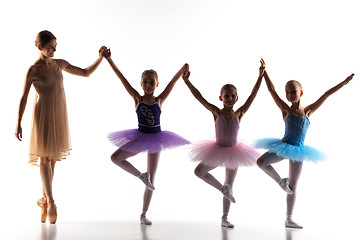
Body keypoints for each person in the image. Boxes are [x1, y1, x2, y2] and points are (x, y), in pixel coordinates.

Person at [15, 30, 106, 224]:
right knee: (45, 158)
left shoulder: (59, 64)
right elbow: (23, 97)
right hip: (43, 116)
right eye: (50, 47)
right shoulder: (33, 70)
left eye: (55, 46)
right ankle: (52, 202)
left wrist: (100, 59)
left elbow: (85, 73)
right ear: (39, 47)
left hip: (58, 116)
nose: (54, 50)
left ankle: (44, 200)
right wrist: (18, 122)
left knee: (53, 159)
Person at [255, 60, 354, 228]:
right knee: (261, 162)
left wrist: (343, 83)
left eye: (293, 91)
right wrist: (264, 73)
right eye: (287, 92)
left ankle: (289, 218)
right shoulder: (285, 110)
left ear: (301, 93)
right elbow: (271, 91)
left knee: (293, 186)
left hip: (299, 150)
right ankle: (280, 181)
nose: (289, 95)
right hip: (284, 146)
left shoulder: (308, 111)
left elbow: (326, 94)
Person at [103, 47, 190, 225]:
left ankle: (143, 214)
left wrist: (183, 69)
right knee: (116, 158)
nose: (149, 85)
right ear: (141, 84)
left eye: (152, 82)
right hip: (140, 137)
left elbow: (173, 82)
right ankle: (139, 175)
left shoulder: (159, 100)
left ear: (157, 84)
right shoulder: (137, 99)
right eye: (146, 82)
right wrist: (109, 60)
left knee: (152, 178)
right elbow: (121, 78)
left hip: (156, 139)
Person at [182, 60, 265, 228]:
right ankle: (222, 188)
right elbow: (199, 97)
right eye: (226, 96)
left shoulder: (239, 113)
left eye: (232, 95)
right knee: (199, 171)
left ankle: (225, 218)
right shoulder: (216, 112)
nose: (230, 98)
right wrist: (187, 81)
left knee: (230, 183)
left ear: (236, 97)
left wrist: (260, 76)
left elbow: (252, 96)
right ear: (221, 98)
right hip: (217, 150)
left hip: (235, 152)